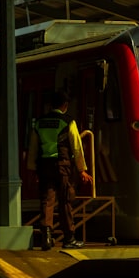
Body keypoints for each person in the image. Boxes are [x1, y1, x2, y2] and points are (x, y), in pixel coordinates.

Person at [27, 90, 93, 250]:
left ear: (51, 105)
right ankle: (69, 238)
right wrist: (82, 170)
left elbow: (33, 148)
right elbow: (77, 147)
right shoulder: (67, 121)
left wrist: (33, 168)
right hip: (62, 166)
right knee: (65, 200)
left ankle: (46, 237)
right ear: (65, 105)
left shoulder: (39, 122)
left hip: (44, 166)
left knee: (46, 201)